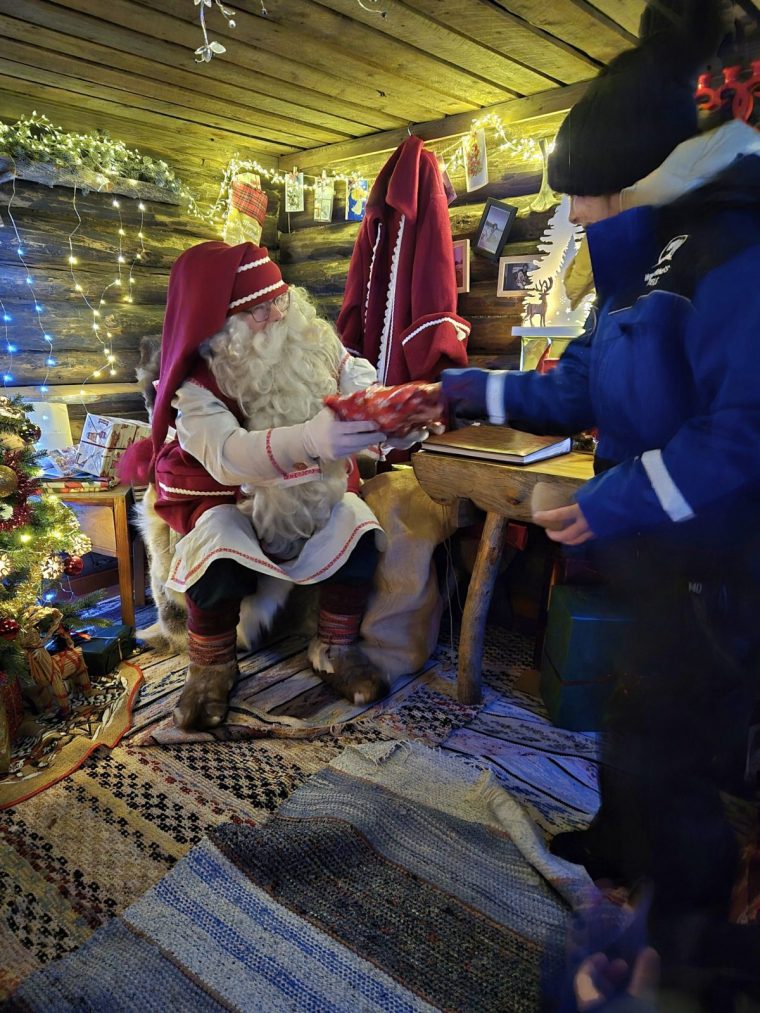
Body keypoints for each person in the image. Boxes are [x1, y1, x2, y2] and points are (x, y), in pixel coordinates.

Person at [440, 0, 760, 993]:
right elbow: (571, 388)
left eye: (596, 195)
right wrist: (454, 387)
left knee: (676, 753)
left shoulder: (733, 267)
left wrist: (618, 500)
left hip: (723, 566)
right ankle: (620, 865)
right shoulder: (625, 287)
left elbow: (737, 434)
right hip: (654, 553)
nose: (575, 214)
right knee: (629, 712)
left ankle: (688, 947)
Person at [119, 241, 426, 732]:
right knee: (214, 549)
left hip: (313, 496)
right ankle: (212, 666)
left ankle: (334, 648)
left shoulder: (318, 343)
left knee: (358, 528)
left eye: (280, 299)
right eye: (259, 311)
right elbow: (225, 455)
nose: (278, 315)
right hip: (232, 501)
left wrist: (394, 419)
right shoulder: (198, 385)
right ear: (223, 325)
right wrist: (309, 438)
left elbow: (362, 393)